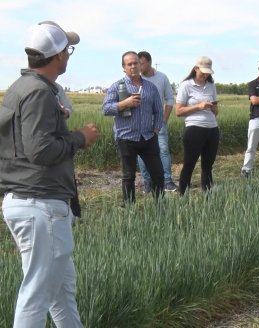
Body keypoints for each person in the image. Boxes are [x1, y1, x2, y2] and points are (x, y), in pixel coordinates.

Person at [0, 20, 99, 327]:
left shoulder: (22, 89)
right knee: (38, 293)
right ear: (58, 55)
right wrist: (80, 138)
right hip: (40, 204)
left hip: (31, 201)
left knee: (61, 291)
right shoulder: (38, 92)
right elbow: (40, 151)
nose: (69, 55)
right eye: (68, 50)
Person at [103, 51, 164, 203]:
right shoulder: (117, 87)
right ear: (123, 67)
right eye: (129, 64)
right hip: (126, 138)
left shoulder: (150, 87)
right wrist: (125, 103)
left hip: (148, 137)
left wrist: (156, 129)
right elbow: (106, 109)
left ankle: (161, 207)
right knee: (128, 176)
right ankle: (130, 210)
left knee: (158, 173)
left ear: (140, 64)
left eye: (136, 63)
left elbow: (158, 110)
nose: (133, 66)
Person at [175, 56, 219, 195]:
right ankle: (183, 194)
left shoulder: (211, 85)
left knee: (208, 165)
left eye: (208, 73)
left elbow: (216, 111)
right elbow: (179, 111)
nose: (205, 75)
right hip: (194, 129)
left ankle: (207, 194)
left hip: (212, 129)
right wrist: (199, 106)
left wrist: (212, 107)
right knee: (189, 164)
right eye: (203, 72)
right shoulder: (186, 85)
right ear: (195, 69)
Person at [136, 51, 179, 192]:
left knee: (163, 150)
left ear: (149, 62)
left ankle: (167, 181)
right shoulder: (136, 79)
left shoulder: (162, 78)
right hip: (141, 124)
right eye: (137, 63)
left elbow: (170, 99)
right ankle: (147, 181)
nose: (138, 67)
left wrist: (164, 119)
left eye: (141, 63)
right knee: (142, 153)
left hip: (158, 122)